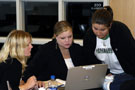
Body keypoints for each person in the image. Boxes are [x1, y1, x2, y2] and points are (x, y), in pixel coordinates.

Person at [22, 21, 86, 87]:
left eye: (70, 37)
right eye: (63, 38)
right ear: (55, 36)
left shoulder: (77, 49)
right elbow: (28, 72)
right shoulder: (46, 50)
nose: (67, 41)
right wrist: (37, 81)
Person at [83, 9, 135, 90]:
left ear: (110, 25)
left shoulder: (121, 31)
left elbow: (132, 55)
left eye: (103, 30)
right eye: (95, 28)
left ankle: (109, 86)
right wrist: (105, 73)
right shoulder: (89, 36)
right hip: (104, 75)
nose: (98, 33)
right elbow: (89, 61)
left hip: (125, 73)